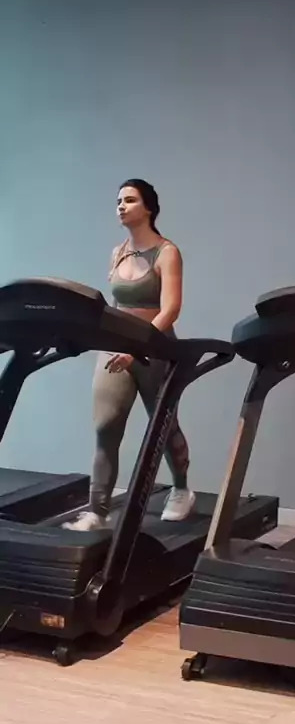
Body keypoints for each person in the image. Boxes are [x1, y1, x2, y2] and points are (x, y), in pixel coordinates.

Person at [64, 179, 194, 531]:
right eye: (119, 201)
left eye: (130, 200)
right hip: (116, 348)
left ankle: (181, 489)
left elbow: (170, 309)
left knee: (163, 425)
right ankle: (97, 511)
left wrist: (138, 348)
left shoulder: (167, 252)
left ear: (148, 208)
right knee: (105, 427)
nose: (121, 206)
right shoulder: (118, 252)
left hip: (155, 349)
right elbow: (115, 304)